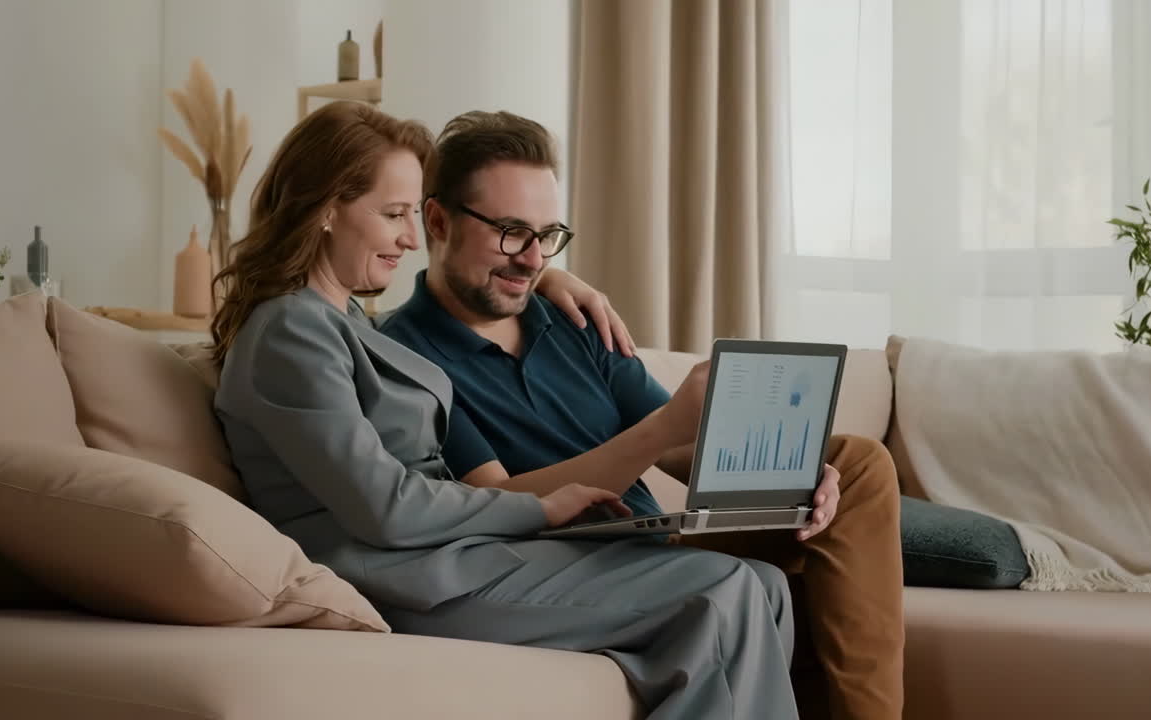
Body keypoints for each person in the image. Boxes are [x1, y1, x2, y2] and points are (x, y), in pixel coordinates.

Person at [211, 100, 802, 719]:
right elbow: (384, 507)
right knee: (725, 589)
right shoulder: (289, 330)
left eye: (411, 214)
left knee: (765, 585)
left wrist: (546, 277)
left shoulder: (343, 319)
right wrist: (539, 506)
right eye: (392, 215)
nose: (410, 238)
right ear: (326, 210)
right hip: (404, 576)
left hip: (449, 558)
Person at [379, 111, 904, 720]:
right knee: (754, 585)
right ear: (437, 220)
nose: (531, 259)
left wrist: (793, 472)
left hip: (646, 532)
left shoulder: (574, 320)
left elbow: (685, 454)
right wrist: (662, 428)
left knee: (857, 465)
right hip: (562, 555)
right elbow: (497, 502)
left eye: (548, 236)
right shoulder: (406, 353)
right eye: (511, 231)